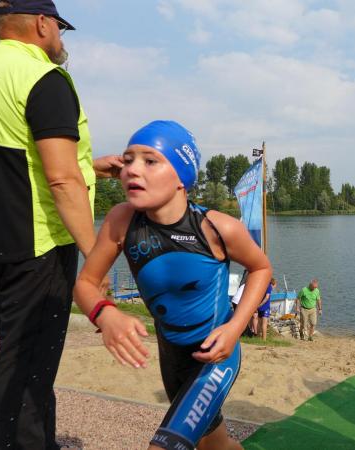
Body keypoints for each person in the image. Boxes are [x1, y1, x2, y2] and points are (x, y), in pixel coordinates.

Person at [0, 2, 123, 448]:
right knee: (26, 373)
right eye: (61, 29)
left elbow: (16, 162)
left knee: (23, 358)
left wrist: (93, 166)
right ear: (42, 23)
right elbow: (61, 179)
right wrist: (96, 258)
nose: (62, 39)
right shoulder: (44, 78)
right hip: (39, 246)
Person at [73, 120, 272, 450]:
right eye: (128, 159)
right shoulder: (122, 220)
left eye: (150, 161)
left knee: (166, 446)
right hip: (171, 355)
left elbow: (261, 268)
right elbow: (85, 283)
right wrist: (106, 315)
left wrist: (235, 328)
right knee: (214, 444)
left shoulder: (216, 228)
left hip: (215, 356)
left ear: (182, 177)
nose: (133, 169)